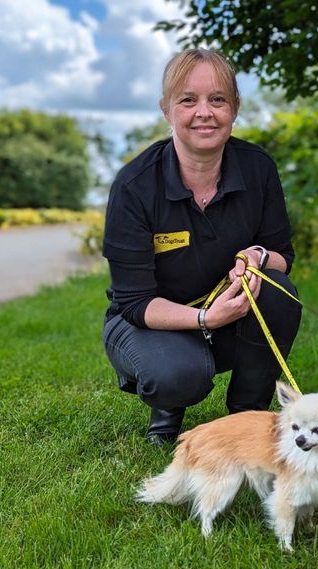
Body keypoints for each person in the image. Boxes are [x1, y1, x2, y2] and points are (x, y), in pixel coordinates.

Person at [102, 48, 302, 444]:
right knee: (178, 375)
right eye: (188, 100)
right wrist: (206, 319)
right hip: (148, 322)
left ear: (235, 108)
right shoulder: (134, 185)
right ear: (166, 110)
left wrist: (258, 256)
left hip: (230, 310)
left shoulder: (258, 168)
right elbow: (136, 302)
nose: (204, 112)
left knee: (280, 293)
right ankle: (169, 404)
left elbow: (284, 259)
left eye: (217, 99)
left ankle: (248, 416)